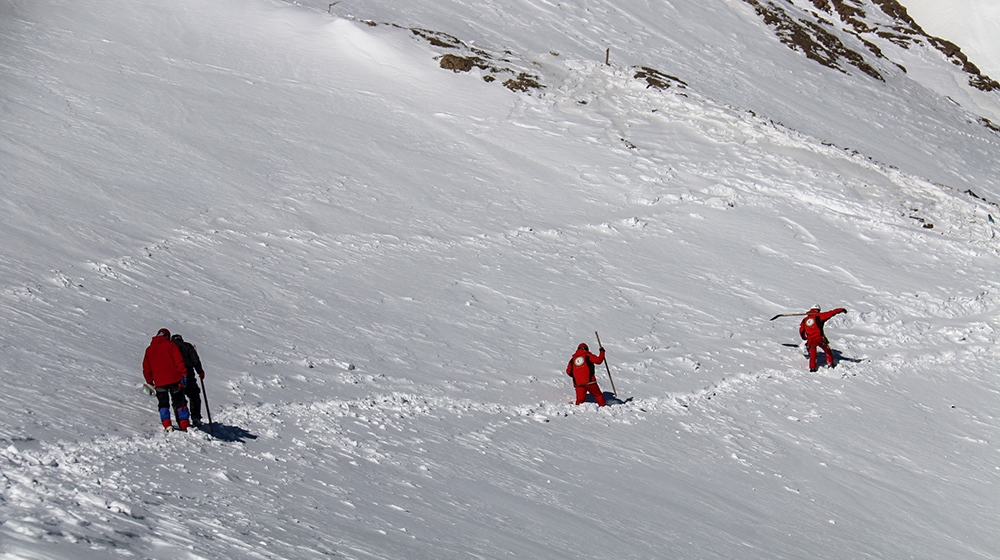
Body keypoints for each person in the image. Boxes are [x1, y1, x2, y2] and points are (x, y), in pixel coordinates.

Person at [142, 328, 191, 431]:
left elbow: (147, 368)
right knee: (180, 402)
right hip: (175, 379)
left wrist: (150, 381)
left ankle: (167, 424)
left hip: (159, 382)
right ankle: (184, 424)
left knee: (163, 403)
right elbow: (179, 361)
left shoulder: (149, 350)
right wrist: (183, 374)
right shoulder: (171, 346)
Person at [171, 334, 206, 427]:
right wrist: (200, 371)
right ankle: (195, 417)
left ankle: (181, 420)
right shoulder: (187, 346)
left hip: (175, 376)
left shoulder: (170, 347)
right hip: (188, 373)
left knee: (178, 398)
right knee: (194, 395)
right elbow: (195, 360)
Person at [798, 305, 847, 372]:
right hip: (819, 338)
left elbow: (801, 330)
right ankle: (831, 363)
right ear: (818, 310)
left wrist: (804, 337)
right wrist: (841, 310)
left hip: (810, 339)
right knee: (828, 351)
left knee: (813, 355)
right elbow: (831, 313)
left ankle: (812, 368)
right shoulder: (819, 316)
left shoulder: (805, 319)